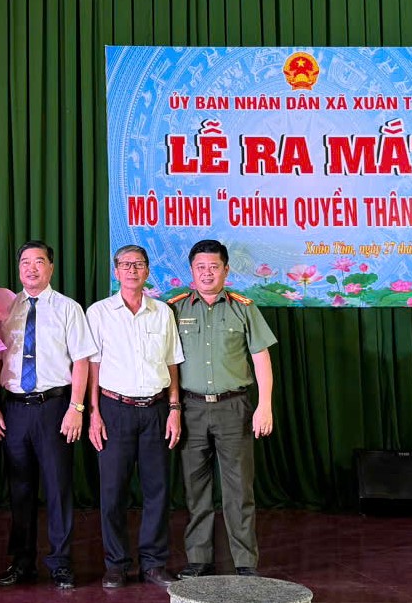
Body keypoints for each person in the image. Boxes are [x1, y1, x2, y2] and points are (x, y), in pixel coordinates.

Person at [0, 240, 96, 590]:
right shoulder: (5, 308)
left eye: (39, 262)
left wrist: (76, 408)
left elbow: (82, 360)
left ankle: (61, 563)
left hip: (54, 408)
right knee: (19, 489)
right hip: (15, 409)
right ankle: (22, 563)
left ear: (51, 268)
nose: (31, 268)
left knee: (59, 487)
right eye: (25, 262)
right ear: (18, 268)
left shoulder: (68, 308)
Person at [168, 239, 277, 578]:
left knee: (238, 489)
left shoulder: (244, 308)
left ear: (226, 270)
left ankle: (245, 561)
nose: (207, 273)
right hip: (191, 409)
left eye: (214, 267)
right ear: (191, 271)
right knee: (195, 488)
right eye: (200, 267)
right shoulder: (175, 309)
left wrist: (265, 406)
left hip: (235, 408)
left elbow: (261, 359)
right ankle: (199, 557)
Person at [86, 245, 185, 588]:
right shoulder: (99, 313)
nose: (131, 270)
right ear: (116, 271)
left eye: (138, 265)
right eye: (125, 265)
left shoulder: (162, 312)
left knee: (157, 490)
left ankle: (154, 564)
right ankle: (115, 564)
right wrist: (93, 413)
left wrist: (174, 409)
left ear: (146, 272)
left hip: (156, 410)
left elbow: (173, 363)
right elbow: (92, 367)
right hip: (114, 410)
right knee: (112, 492)